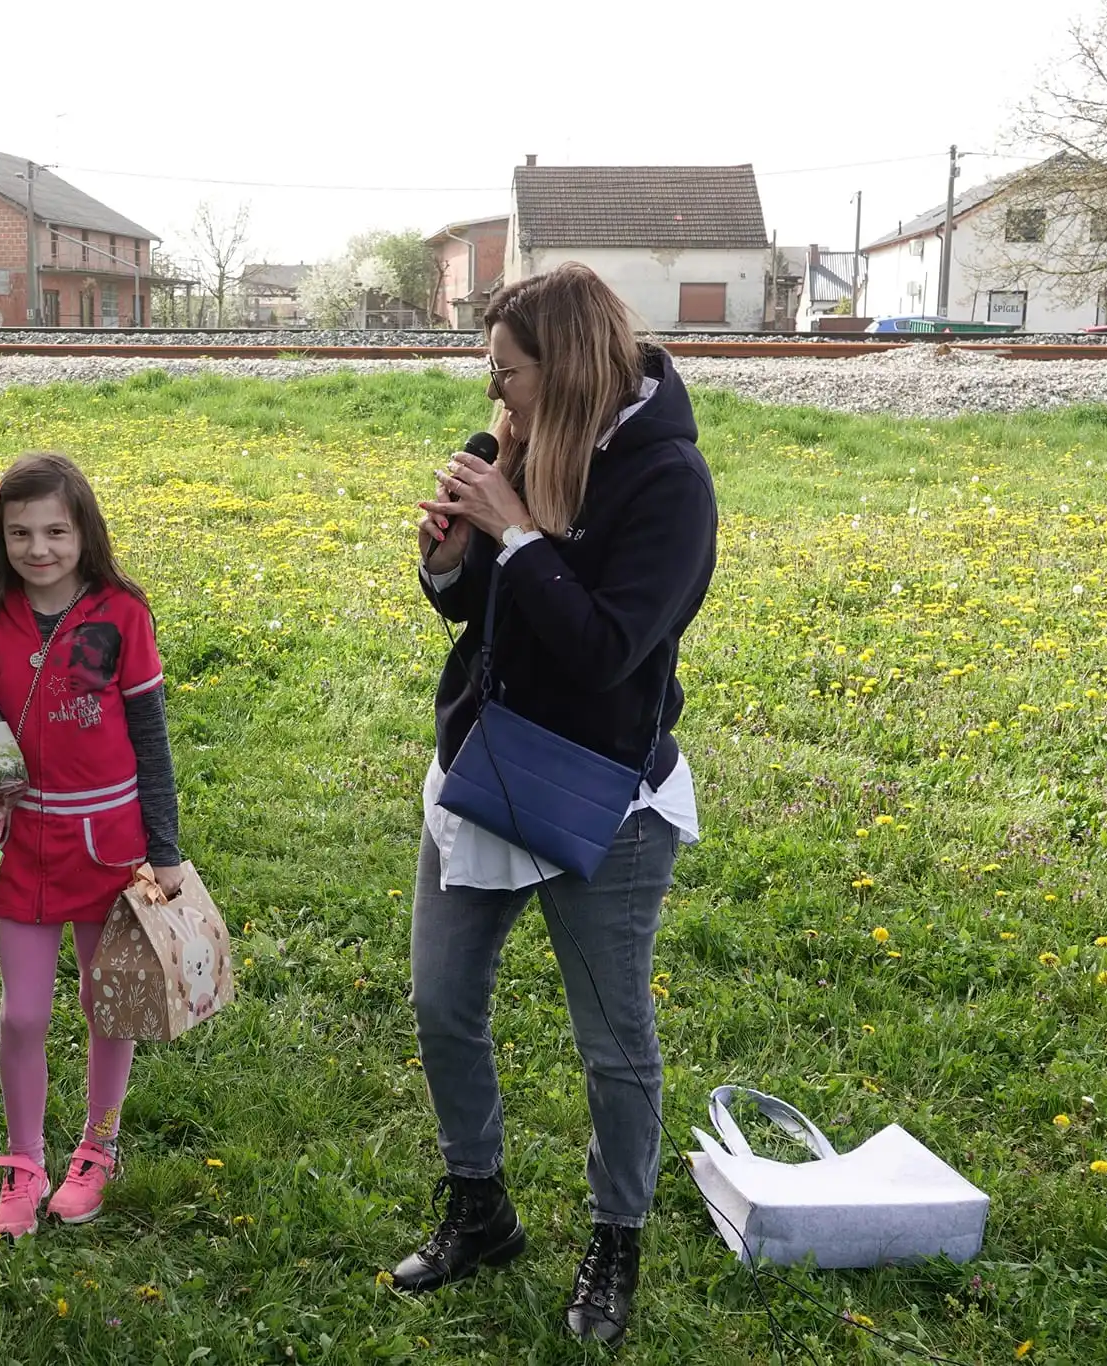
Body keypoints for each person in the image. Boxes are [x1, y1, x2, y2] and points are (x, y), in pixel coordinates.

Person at [395, 264, 718, 1348]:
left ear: (567, 364)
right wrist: (452, 561)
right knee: (443, 1002)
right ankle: (477, 1205)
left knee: (610, 1039)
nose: (494, 393)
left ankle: (615, 1234)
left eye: (509, 371)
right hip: (483, 765)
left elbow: (601, 651)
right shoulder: (513, 449)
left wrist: (521, 535)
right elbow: (479, 611)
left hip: (599, 794)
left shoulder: (667, 480)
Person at [0, 452, 183, 1239]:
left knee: (108, 1006)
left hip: (110, 846)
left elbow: (151, 736)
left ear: (85, 533)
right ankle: (24, 1162)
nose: (38, 549)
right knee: (24, 1016)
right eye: (19, 533)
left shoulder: (123, 614)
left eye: (55, 532)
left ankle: (96, 1149)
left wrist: (165, 850)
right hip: (21, 842)